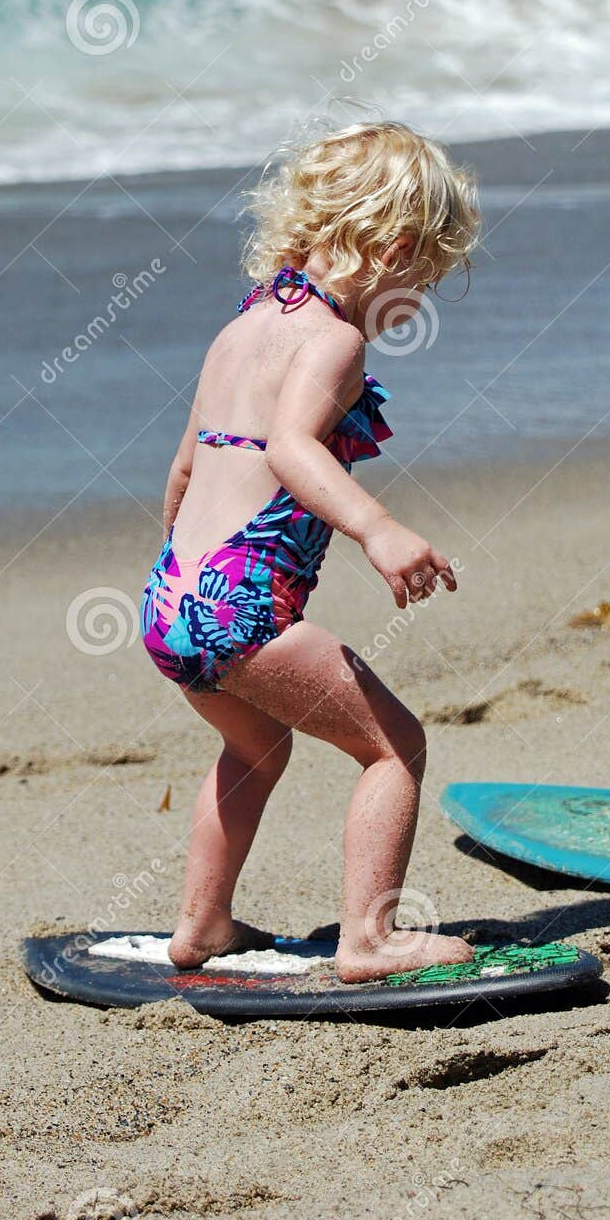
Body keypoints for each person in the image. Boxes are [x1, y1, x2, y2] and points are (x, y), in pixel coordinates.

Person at [140, 121, 481, 982]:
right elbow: (292, 449)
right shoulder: (334, 340)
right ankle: (369, 940)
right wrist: (378, 528)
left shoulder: (239, 331)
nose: (416, 295)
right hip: (242, 607)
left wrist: (188, 577)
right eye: (423, 278)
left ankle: (201, 928)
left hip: (172, 601)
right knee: (392, 748)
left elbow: (182, 471)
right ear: (395, 248)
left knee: (255, 747)